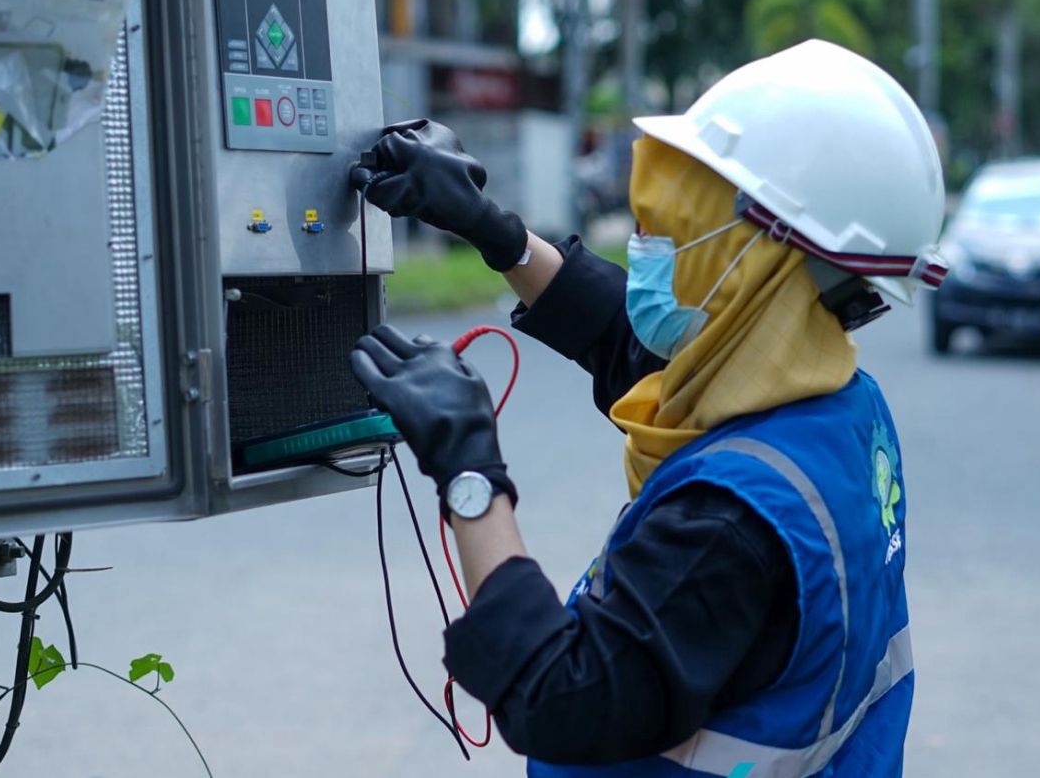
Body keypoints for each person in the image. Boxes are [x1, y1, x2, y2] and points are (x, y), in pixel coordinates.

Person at [349, 39, 948, 777]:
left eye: (681, 225)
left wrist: (468, 470)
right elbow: (642, 358)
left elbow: (562, 700)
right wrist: (491, 229)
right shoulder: (837, 410)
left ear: (764, 258)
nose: (650, 245)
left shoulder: (728, 523)